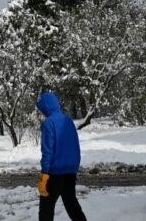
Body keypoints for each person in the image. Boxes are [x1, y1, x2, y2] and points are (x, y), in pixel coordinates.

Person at [36, 91, 87, 221]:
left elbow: (47, 151)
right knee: (72, 205)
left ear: (46, 106)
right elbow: (76, 147)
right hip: (70, 172)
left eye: (42, 109)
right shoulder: (68, 121)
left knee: (46, 210)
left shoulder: (49, 123)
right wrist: (74, 169)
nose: (42, 112)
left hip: (54, 173)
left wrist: (44, 175)